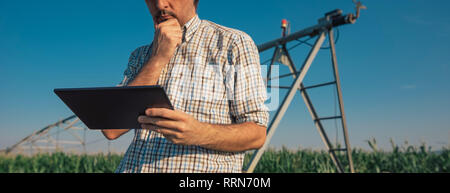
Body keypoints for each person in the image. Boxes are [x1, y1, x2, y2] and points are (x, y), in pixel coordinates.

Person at [101, 0, 269, 173]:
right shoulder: (140, 55)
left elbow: (257, 134)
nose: (159, 5)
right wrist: (157, 58)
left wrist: (199, 133)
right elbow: (111, 128)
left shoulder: (233, 43)